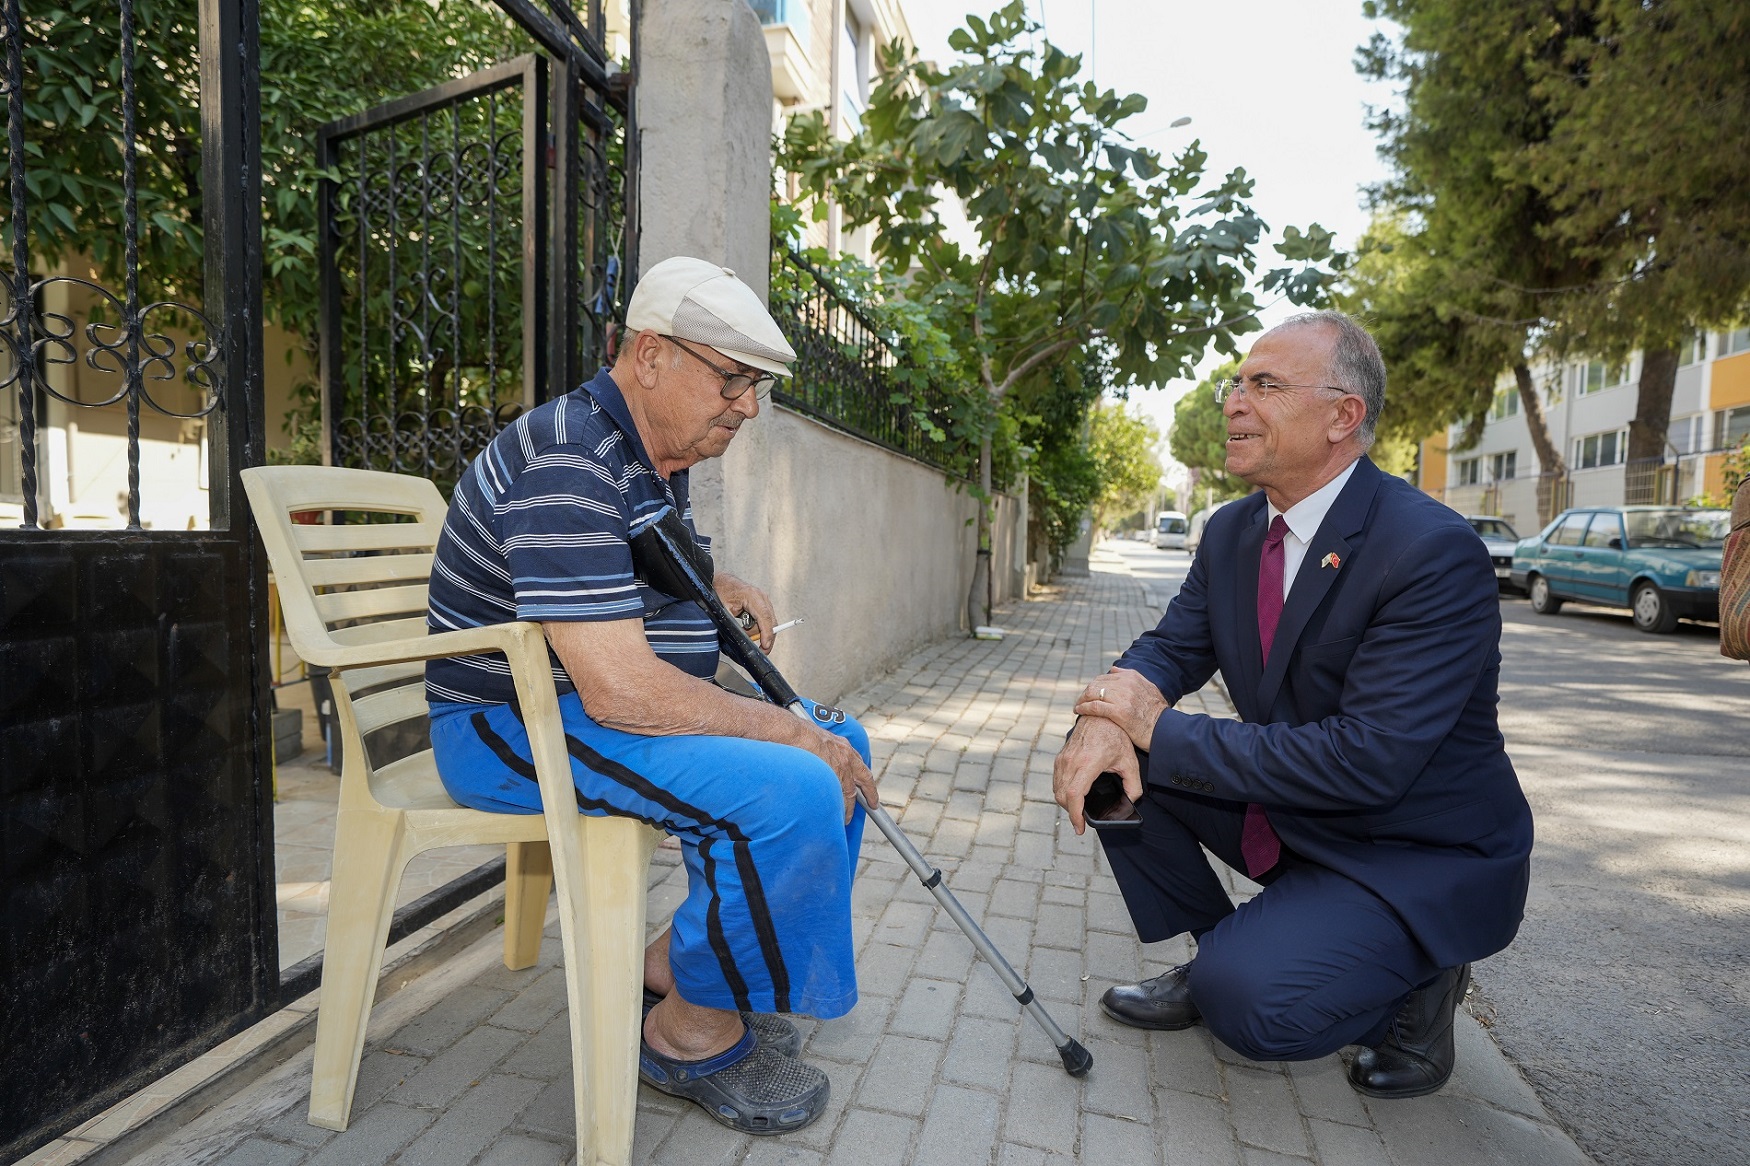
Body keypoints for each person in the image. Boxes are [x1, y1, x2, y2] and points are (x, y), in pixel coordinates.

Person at [424, 256, 877, 1135]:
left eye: (758, 386)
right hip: (510, 724)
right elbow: (622, 687)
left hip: (577, 707)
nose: (747, 406)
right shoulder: (569, 457)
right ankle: (687, 1035)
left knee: (842, 737)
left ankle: (680, 970)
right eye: (733, 379)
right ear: (649, 355)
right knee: (795, 780)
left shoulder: (638, 455)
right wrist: (786, 732)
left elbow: (644, 575)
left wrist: (725, 586)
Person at [1055, 311, 1533, 1099]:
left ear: (1343, 416)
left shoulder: (1430, 551)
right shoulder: (1233, 531)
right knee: (1115, 763)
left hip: (1406, 848)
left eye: (1265, 385)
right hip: (1299, 808)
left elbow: (1367, 760)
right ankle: (1221, 950)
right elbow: (1172, 647)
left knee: (1255, 1010)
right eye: (1235, 384)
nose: (1234, 402)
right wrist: (1107, 715)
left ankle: (1424, 981)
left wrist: (1156, 725)